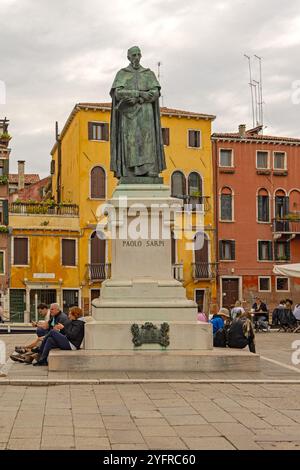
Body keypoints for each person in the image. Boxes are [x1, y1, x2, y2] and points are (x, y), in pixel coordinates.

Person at [110, 46, 166, 179]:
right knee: (131, 141)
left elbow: (156, 92)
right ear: (128, 57)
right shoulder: (122, 74)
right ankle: (131, 171)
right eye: (133, 55)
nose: (136, 57)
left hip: (146, 112)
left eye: (138, 55)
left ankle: (149, 169)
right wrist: (137, 94)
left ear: (141, 56)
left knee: (148, 140)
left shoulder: (148, 73)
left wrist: (139, 97)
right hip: (128, 113)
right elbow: (118, 93)